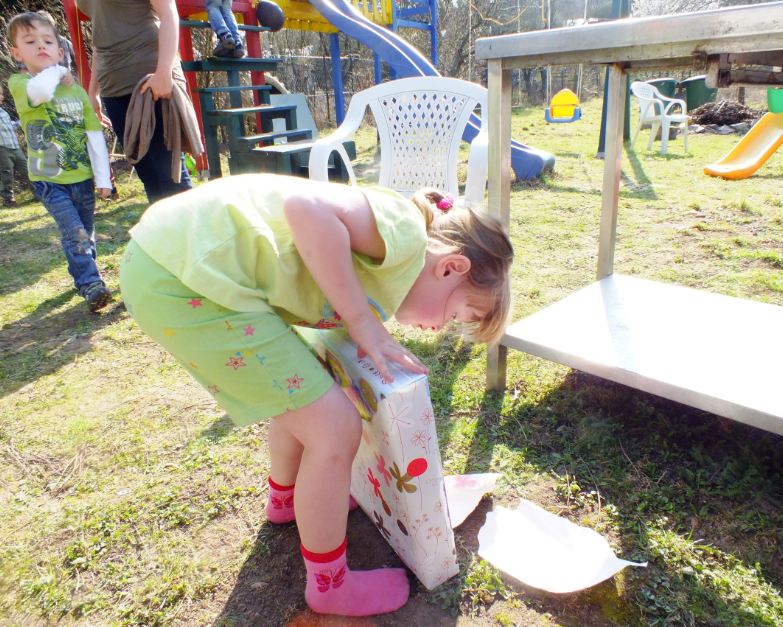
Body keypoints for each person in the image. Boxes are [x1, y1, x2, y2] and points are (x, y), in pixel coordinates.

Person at [119, 174, 513, 616]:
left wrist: (361, 320)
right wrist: (362, 322)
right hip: (187, 279)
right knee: (334, 429)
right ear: (451, 267)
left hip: (177, 270)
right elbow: (304, 207)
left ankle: (287, 499)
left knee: (302, 399)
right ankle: (330, 585)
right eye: (458, 313)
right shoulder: (405, 232)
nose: (440, 328)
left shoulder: (395, 264)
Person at [7, 11, 113, 312]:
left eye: (48, 41)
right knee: (74, 232)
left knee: (85, 232)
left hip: (82, 177)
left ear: (60, 49)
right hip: (49, 180)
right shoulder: (19, 83)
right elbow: (41, 91)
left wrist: (103, 178)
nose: (41, 46)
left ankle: (82, 275)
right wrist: (59, 70)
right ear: (17, 53)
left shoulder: (77, 92)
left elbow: (93, 136)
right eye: (30, 42)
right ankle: (92, 284)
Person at [76, 0, 193, 204]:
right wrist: (93, 91)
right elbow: (100, 35)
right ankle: (161, 224)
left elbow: (168, 12)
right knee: (148, 174)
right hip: (113, 86)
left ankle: (192, 225)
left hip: (151, 79)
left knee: (170, 175)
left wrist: (164, 72)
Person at [0, 88, 27, 207]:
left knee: (27, 169)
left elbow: (10, 125)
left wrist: (20, 122)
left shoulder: (3, 112)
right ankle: (8, 198)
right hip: (2, 147)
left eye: (2, 94)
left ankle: (39, 192)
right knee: (7, 173)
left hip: (15, 146)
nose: (2, 97)